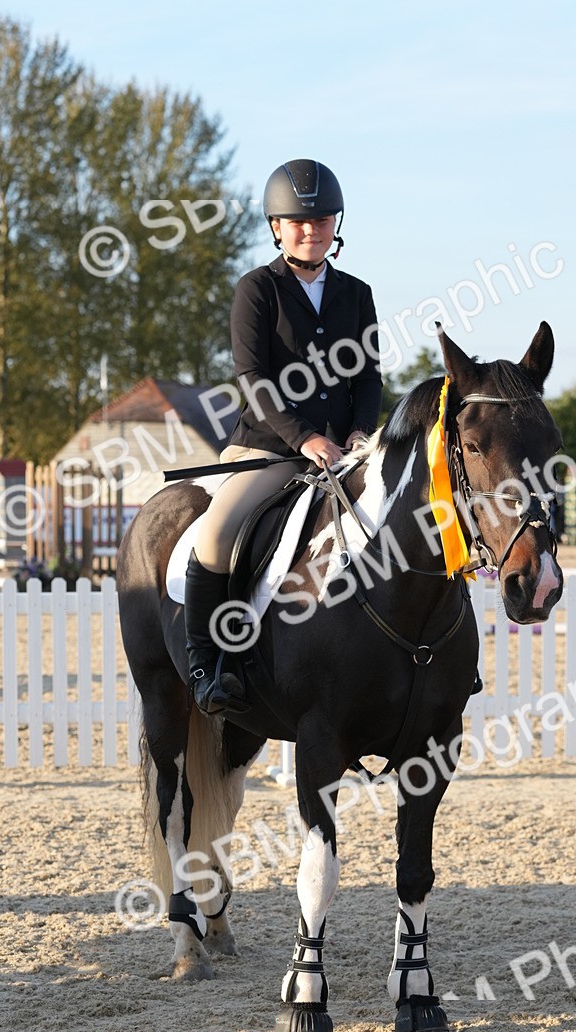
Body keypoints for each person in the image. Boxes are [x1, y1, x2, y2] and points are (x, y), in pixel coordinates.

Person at [185, 158, 383, 714]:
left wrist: (360, 434)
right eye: (297, 221)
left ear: (334, 225)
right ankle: (209, 664)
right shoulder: (257, 289)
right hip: (271, 448)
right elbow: (253, 379)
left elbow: (368, 376)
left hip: (346, 452)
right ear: (277, 226)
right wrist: (305, 439)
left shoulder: (357, 293)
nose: (310, 229)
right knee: (219, 533)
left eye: (321, 219)